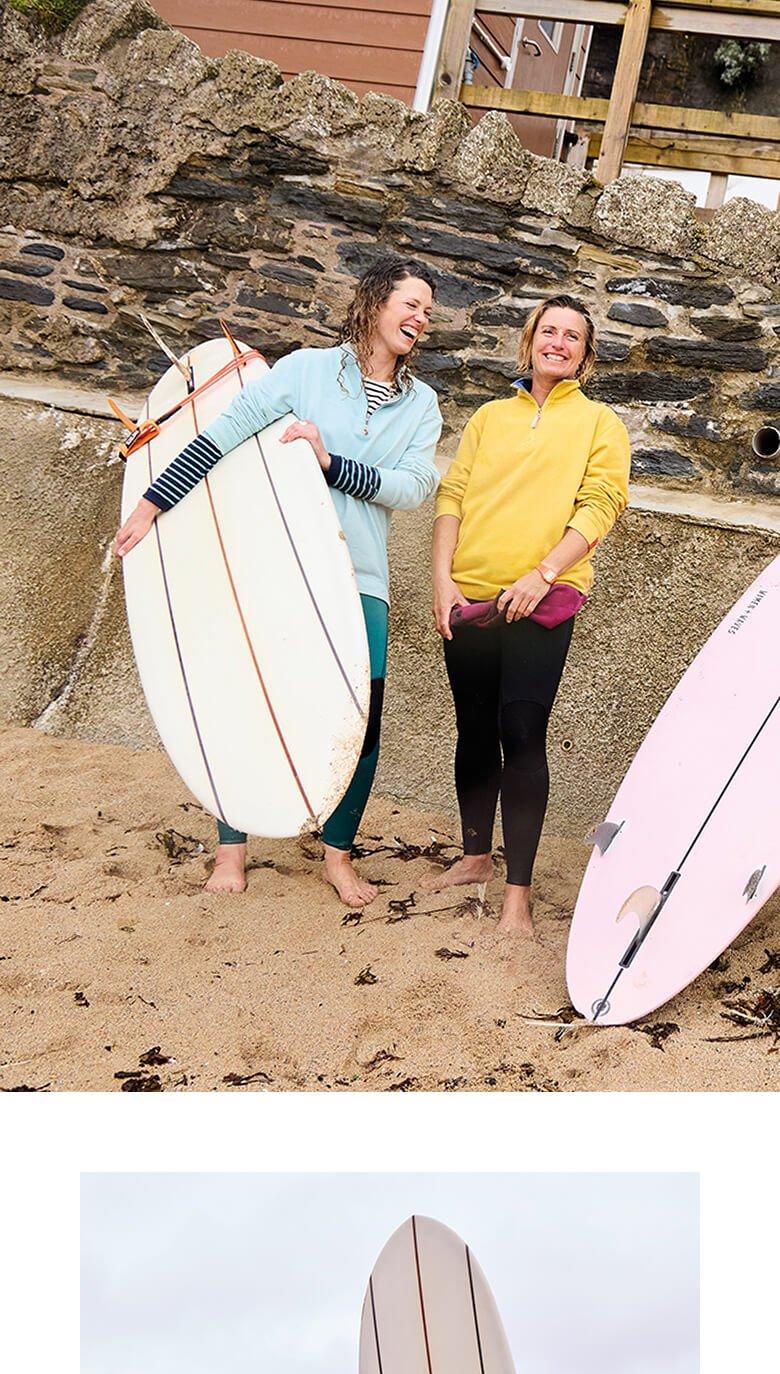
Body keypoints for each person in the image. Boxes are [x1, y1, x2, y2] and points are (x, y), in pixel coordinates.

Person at [114, 258, 440, 908]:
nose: (421, 318)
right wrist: (152, 502)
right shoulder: (305, 372)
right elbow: (225, 437)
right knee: (246, 695)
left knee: (361, 721)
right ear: (375, 303)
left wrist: (330, 462)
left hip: (361, 580)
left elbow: (414, 487)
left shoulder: (422, 405)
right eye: (411, 303)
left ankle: (338, 859)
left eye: (428, 311)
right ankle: (231, 849)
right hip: (279, 568)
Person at [429, 294, 630, 937]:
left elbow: (601, 507)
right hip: (470, 598)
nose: (560, 342)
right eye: (550, 331)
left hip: (542, 602)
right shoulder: (489, 417)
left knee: (521, 733)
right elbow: (452, 494)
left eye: (574, 336)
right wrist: (440, 581)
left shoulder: (601, 424)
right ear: (530, 341)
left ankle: (518, 890)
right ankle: (475, 858)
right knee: (473, 731)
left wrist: (542, 574)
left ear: (585, 355)